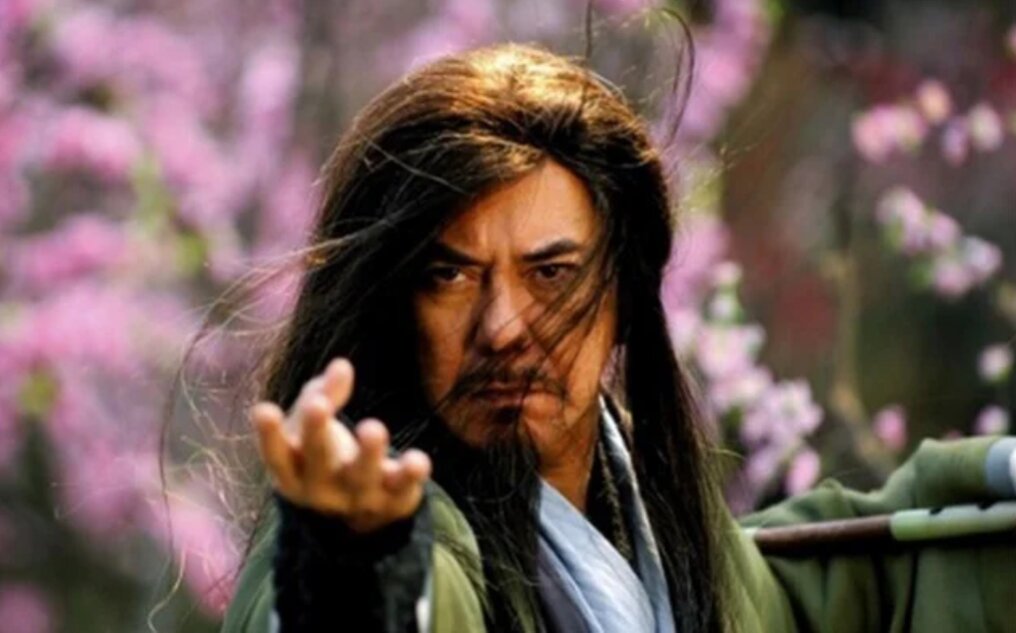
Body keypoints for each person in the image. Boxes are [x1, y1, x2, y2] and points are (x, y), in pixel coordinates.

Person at [221, 44, 1016, 633]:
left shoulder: (687, 547)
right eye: (451, 275)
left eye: (552, 273)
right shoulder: (384, 528)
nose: (502, 327)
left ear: (625, 296)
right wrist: (357, 568)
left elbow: (868, 574)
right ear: (395, 307)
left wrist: (994, 476)